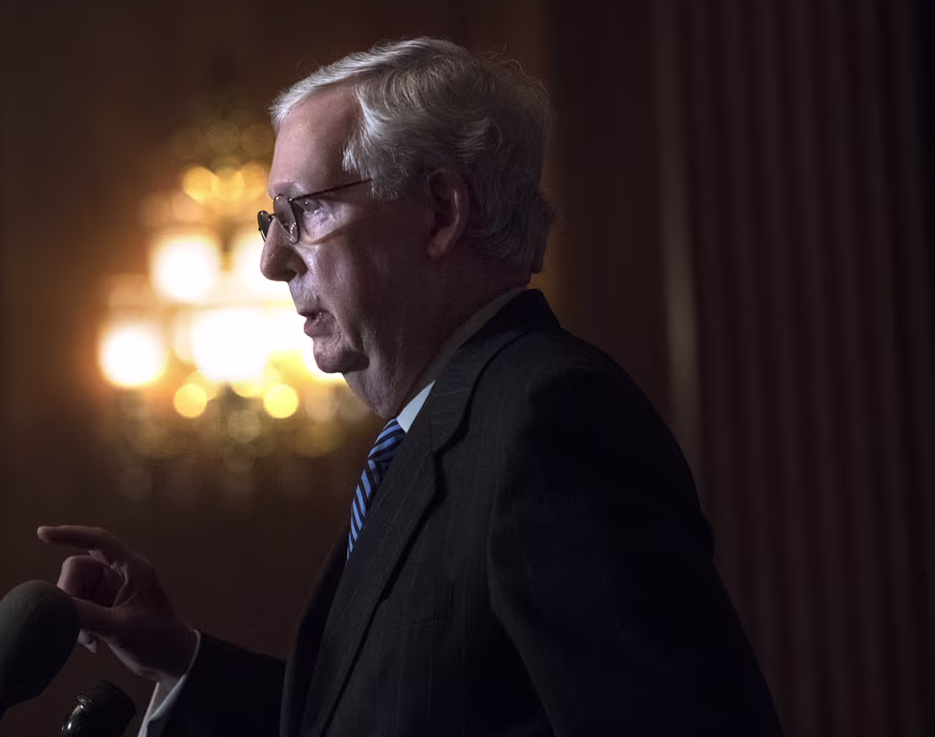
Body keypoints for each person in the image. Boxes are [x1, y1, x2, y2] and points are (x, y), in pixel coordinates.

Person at [38, 38, 783, 736]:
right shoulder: (436, 432)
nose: (269, 261)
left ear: (440, 212)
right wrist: (181, 659)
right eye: (271, 220)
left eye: (306, 212)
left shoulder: (550, 423)